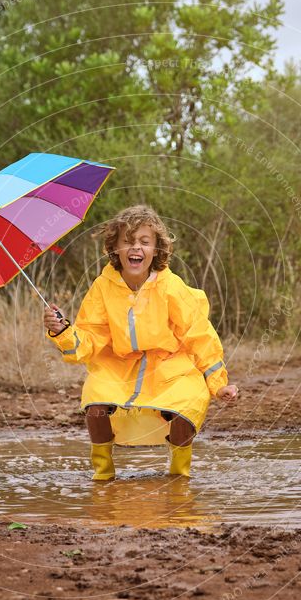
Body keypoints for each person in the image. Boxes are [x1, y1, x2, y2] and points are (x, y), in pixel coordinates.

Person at [44, 205, 238, 481]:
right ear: (115, 248)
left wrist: (219, 384)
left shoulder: (171, 287)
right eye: (128, 241)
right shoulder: (102, 286)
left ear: (157, 249)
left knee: (186, 405)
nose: (136, 247)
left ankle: (179, 477)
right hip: (119, 367)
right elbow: (89, 339)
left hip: (170, 366)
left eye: (144, 242)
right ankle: (103, 476)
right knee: (95, 404)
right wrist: (63, 331)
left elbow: (200, 336)